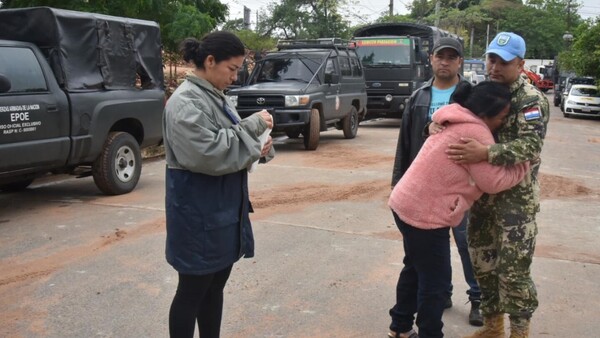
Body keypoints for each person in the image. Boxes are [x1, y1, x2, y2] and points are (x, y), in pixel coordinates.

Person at [388, 81, 530, 338]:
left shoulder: (455, 117)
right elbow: (492, 182)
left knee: (415, 268)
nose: (503, 122)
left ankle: (400, 327)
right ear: (486, 114)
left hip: (404, 202)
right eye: (501, 117)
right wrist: (523, 166)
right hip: (425, 214)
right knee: (437, 284)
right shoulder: (476, 133)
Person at [163, 31, 275, 338]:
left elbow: (235, 141)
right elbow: (209, 152)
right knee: (192, 290)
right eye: (233, 68)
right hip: (197, 215)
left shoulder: (213, 95)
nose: (236, 76)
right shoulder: (186, 102)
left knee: (214, 287)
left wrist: (260, 147)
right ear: (210, 61)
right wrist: (253, 128)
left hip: (221, 211)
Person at [445, 32, 550, 338]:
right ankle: (493, 328)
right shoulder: (484, 92)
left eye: (504, 62)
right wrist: (438, 124)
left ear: (521, 63)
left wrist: (486, 153)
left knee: (514, 272)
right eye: (491, 59)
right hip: (483, 200)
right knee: (483, 265)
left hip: (516, 205)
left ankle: (519, 332)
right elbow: (460, 118)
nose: (495, 67)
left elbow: (530, 146)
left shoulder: (530, 100)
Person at [389, 36, 483, 337]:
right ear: (431, 59)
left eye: (451, 57)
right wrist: (398, 184)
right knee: (421, 261)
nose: (445, 61)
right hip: (422, 193)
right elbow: (405, 144)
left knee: (467, 246)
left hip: (458, 192)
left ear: (460, 62)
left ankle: (476, 298)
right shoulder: (418, 96)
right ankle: (433, 302)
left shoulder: (471, 95)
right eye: (440, 56)